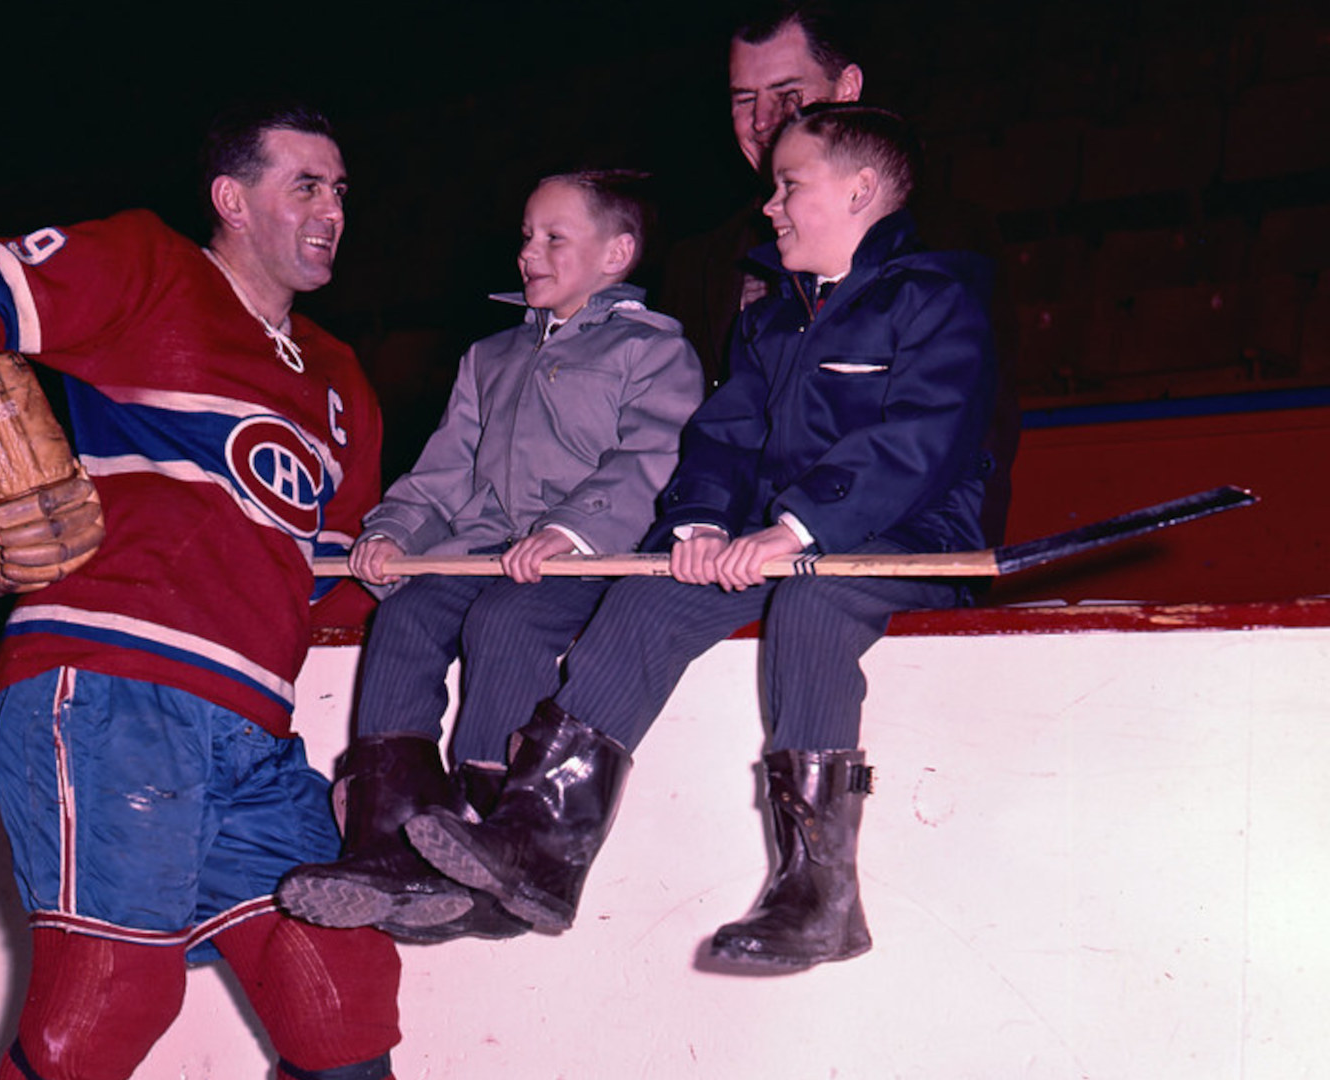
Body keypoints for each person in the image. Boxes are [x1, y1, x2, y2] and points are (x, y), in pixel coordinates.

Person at [0, 101, 402, 1080]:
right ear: (231, 199)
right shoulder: (150, 268)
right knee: (111, 995)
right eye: (305, 185)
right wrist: (13, 471)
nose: (331, 209)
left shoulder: (340, 381)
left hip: (253, 730)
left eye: (339, 190)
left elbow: (332, 589)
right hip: (112, 689)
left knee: (340, 995)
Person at [404, 104, 999, 969]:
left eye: (791, 185)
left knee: (816, 603)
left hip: (908, 538)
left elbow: (917, 443)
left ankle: (819, 892)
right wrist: (701, 523)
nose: (771, 205)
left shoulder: (939, 296)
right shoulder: (776, 316)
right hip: (783, 536)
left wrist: (795, 529)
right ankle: (540, 848)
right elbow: (721, 436)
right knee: (653, 595)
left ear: (861, 189)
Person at [275, 171, 703, 942]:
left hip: (585, 558)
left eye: (553, 239)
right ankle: (386, 839)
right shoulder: (491, 356)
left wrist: (572, 531)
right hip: (480, 547)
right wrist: (395, 532)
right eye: (526, 237)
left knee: (508, 621)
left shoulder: (652, 350)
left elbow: (648, 456)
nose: (528, 253)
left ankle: (490, 836)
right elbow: (444, 467)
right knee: (405, 618)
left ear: (618, 253)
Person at [657, 0, 1017, 543]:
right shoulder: (697, 261)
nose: (762, 121)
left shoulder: (947, 239)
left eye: (787, 94)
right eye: (744, 99)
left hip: (879, 543)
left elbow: (958, 431)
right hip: (720, 546)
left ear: (847, 89)